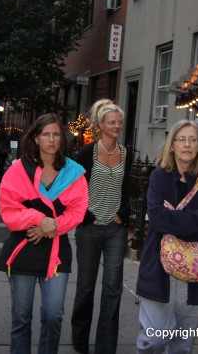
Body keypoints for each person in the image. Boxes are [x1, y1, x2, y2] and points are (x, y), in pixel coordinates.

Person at [0, 113, 88, 354]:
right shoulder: (18, 170)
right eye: (46, 134)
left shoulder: (74, 173)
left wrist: (52, 227)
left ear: (62, 138)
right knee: (21, 318)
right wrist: (40, 219)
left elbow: (78, 212)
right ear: (36, 138)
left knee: (53, 315)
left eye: (56, 134)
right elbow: (8, 211)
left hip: (56, 253)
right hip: (23, 249)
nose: (51, 139)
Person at [135, 119, 198, 354]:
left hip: (195, 275)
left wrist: (175, 218)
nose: (187, 145)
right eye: (182, 139)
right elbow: (157, 219)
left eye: (193, 140)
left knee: (182, 346)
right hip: (159, 270)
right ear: (172, 145)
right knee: (153, 340)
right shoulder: (159, 177)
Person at [70, 99, 133, 354]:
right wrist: (82, 214)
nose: (117, 126)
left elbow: (127, 188)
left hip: (115, 229)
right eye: (112, 122)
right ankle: (80, 339)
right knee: (85, 286)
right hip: (89, 228)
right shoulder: (87, 152)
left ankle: (106, 346)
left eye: (119, 122)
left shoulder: (126, 153)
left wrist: (124, 213)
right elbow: (73, 186)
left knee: (113, 287)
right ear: (101, 125)